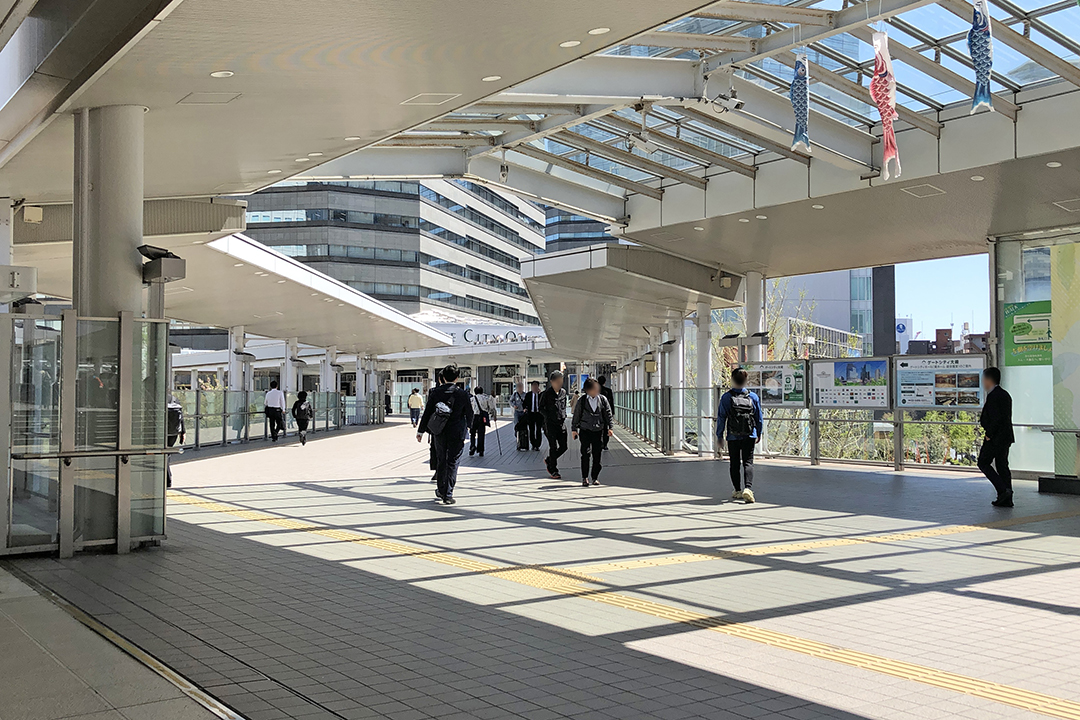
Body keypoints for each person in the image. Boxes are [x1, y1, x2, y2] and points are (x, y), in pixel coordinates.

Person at [417, 365, 473, 505]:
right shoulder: (462, 394)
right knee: (453, 462)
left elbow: (427, 412)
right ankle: (448, 494)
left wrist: (421, 431)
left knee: (441, 460)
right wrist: (470, 427)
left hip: (439, 432)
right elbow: (469, 413)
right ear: (457, 378)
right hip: (457, 433)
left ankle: (441, 489)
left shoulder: (436, 392)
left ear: (443, 377)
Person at [716, 368, 764, 503]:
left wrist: (719, 435)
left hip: (733, 436)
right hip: (749, 435)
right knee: (748, 462)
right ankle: (748, 488)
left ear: (732, 379)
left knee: (734, 463)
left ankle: (737, 490)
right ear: (746, 380)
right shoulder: (753, 397)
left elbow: (721, 418)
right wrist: (758, 432)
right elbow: (759, 418)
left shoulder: (726, 397)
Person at [979, 366, 1015, 508]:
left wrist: (989, 434)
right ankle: (1006, 498)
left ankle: (1003, 490)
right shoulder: (1004, 394)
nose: (983, 382)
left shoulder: (994, 396)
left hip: (995, 438)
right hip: (1005, 437)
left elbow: (996, 418)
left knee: (983, 462)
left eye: (984, 379)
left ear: (989, 380)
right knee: (1002, 465)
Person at [572, 378, 613, 487]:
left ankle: (595, 477)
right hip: (585, 430)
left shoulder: (602, 399)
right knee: (585, 454)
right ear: (588, 390)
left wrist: (610, 427)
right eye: (595, 388)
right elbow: (576, 415)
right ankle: (585, 477)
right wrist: (574, 429)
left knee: (597, 454)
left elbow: (608, 413)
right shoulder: (582, 400)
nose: (597, 390)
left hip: (598, 431)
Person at [539, 371, 569, 479]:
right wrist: (548, 416)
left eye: (561, 381)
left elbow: (564, 405)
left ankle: (549, 460)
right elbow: (541, 408)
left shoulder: (563, 392)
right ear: (552, 382)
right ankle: (553, 469)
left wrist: (563, 415)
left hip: (561, 423)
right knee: (553, 446)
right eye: (557, 381)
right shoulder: (546, 394)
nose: (560, 383)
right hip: (550, 424)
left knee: (564, 447)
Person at [469, 386, 497, 457]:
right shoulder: (486, 398)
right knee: (481, 433)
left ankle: (472, 445)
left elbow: (469, 409)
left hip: (474, 417)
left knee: (472, 433)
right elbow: (492, 407)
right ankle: (481, 450)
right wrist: (494, 415)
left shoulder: (472, 399)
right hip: (482, 417)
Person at [165, 394, 185, 488]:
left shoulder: (155, 397)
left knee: (161, 454)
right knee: (167, 454)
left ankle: (167, 479)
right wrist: (183, 432)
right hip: (173, 432)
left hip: (160, 431)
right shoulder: (174, 399)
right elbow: (181, 417)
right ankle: (168, 479)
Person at [597, 376, 615, 450]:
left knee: (598, 428)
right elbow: (611, 403)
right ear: (604, 382)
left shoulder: (595, 391)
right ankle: (605, 444)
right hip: (606, 413)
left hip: (597, 412)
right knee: (606, 428)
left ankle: (599, 443)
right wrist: (612, 412)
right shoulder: (608, 391)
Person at [525, 380, 544, 451]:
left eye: (536, 387)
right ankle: (533, 444)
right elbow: (525, 403)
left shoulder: (541, 395)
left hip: (539, 414)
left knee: (538, 429)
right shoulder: (528, 395)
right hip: (531, 414)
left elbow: (544, 403)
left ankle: (538, 445)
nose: (535, 388)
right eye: (533, 386)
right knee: (531, 429)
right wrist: (525, 408)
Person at [510, 382, 529, 451]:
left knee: (523, 425)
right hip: (517, 412)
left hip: (523, 412)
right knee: (517, 424)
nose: (520, 388)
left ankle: (523, 436)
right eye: (519, 387)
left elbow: (528, 403)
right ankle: (517, 435)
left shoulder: (525, 395)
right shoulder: (515, 394)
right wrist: (514, 405)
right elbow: (511, 401)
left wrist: (526, 408)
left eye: (521, 387)